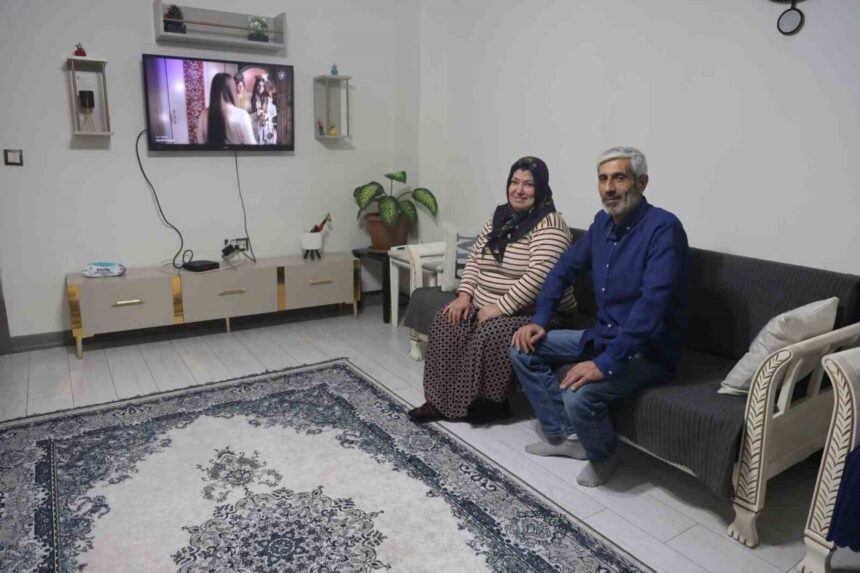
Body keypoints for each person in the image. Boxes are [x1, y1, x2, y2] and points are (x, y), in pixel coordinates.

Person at [510, 146, 689, 487]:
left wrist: (604, 364)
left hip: (647, 350)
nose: (609, 188)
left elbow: (651, 307)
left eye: (619, 178)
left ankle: (604, 454)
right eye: (603, 179)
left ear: (642, 183)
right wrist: (540, 319)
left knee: (579, 394)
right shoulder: (602, 224)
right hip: (603, 335)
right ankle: (567, 437)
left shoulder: (663, 229)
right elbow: (562, 270)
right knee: (522, 347)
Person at [408, 156, 578, 424]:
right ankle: (439, 402)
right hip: (486, 304)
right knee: (447, 320)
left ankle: (487, 404)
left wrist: (500, 308)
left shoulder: (551, 225)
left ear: (541, 188)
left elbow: (539, 277)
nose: (519, 190)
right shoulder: (499, 218)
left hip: (535, 314)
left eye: (528, 184)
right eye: (514, 182)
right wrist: (464, 296)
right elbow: (475, 260)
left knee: (491, 333)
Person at [195, 73, 256, 145]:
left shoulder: (204, 114)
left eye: (241, 86)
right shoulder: (242, 115)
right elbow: (250, 145)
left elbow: (200, 141)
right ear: (232, 90)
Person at [250, 76, 277, 144]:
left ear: (264, 87)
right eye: (258, 85)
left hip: (267, 130)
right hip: (255, 129)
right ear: (256, 86)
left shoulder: (269, 99)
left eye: (262, 86)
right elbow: (247, 118)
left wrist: (267, 117)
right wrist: (256, 114)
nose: (260, 87)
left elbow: (274, 115)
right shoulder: (251, 99)